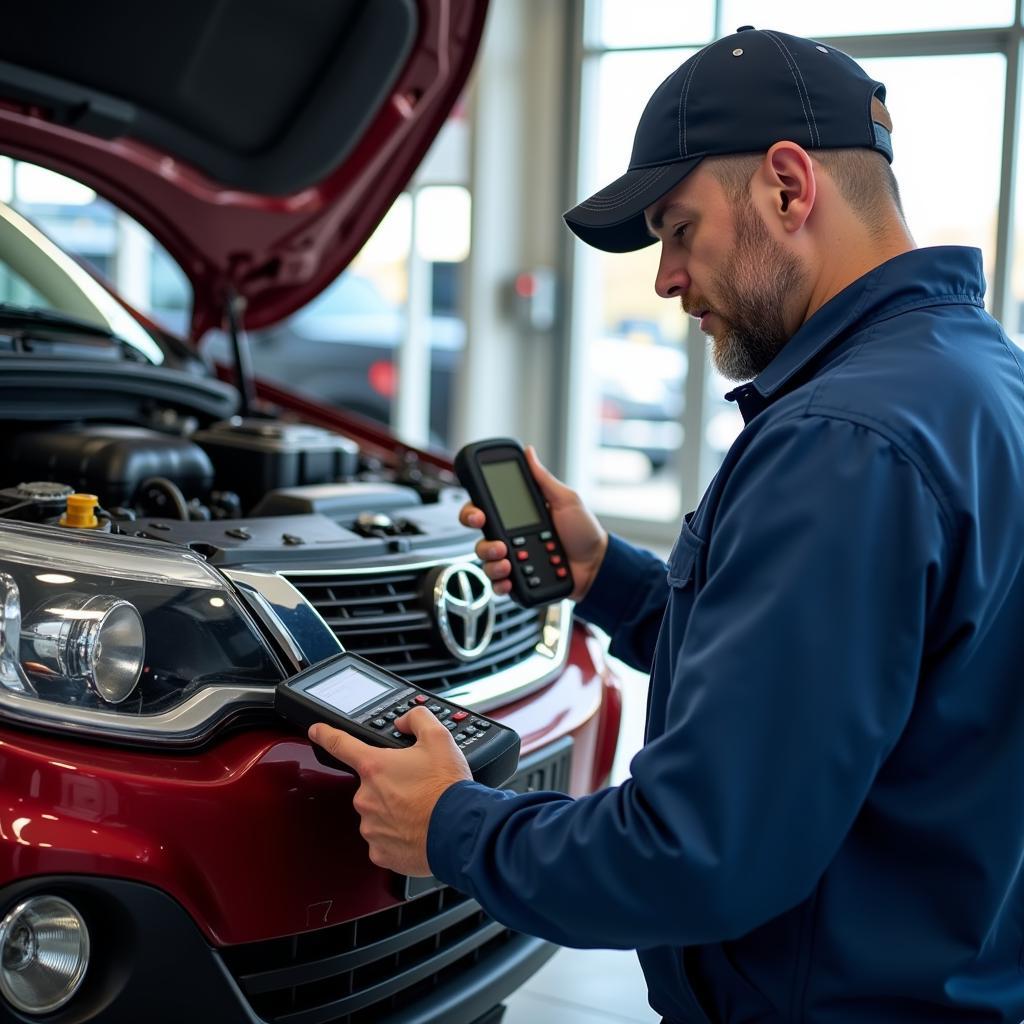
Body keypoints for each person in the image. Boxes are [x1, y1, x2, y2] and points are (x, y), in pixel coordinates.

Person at [309, 26, 1024, 1022]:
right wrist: (606, 574)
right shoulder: (976, 381)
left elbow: (699, 853)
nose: (663, 277)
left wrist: (449, 824)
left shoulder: (840, 443)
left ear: (786, 185)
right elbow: (838, 693)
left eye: (678, 228)